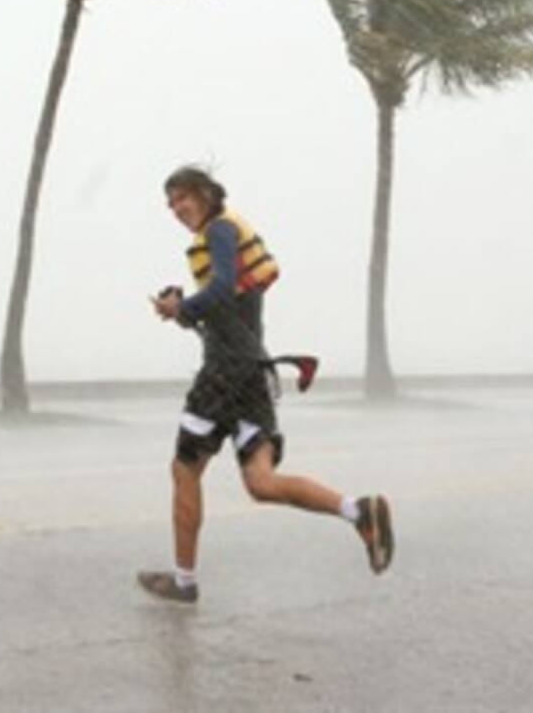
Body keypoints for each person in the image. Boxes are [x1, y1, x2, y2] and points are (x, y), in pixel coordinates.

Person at [137, 165, 393, 603]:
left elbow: (217, 291)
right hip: (252, 372)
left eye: (182, 197)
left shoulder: (219, 230)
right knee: (260, 482)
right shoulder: (229, 240)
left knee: (184, 469)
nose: (176, 208)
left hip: (224, 373)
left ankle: (184, 581)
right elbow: (223, 307)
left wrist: (184, 306)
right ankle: (359, 511)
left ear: (205, 193)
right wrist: (183, 310)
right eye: (170, 203)